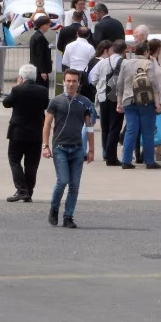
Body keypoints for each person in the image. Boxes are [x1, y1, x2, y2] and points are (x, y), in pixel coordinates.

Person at [42, 70, 94, 228]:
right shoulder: (56, 101)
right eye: (68, 81)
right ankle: (54, 208)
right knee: (63, 180)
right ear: (64, 82)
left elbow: (89, 127)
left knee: (75, 184)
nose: (71, 84)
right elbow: (47, 124)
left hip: (77, 148)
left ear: (79, 83)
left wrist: (91, 149)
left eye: (74, 81)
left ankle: (68, 216)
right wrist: (45, 145)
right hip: (60, 148)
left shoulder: (85, 102)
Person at [3, 64, 49, 202]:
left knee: (14, 160)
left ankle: (22, 190)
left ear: (21, 77)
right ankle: (28, 191)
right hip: (36, 132)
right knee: (32, 164)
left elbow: (6, 103)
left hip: (18, 132)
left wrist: (17, 86)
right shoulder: (43, 90)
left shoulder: (17, 89)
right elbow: (46, 105)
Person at [119, 39, 161, 170]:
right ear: (146, 51)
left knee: (131, 131)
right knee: (148, 132)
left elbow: (120, 84)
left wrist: (119, 101)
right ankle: (149, 161)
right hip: (145, 101)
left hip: (128, 100)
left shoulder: (125, 63)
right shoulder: (148, 63)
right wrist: (157, 103)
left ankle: (126, 160)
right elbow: (153, 85)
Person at [87, 40, 125, 165]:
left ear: (113, 49)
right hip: (117, 98)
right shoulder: (124, 63)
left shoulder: (102, 62)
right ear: (124, 50)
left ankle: (105, 152)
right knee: (115, 127)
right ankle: (111, 156)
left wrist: (100, 87)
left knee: (105, 127)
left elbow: (93, 78)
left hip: (103, 97)